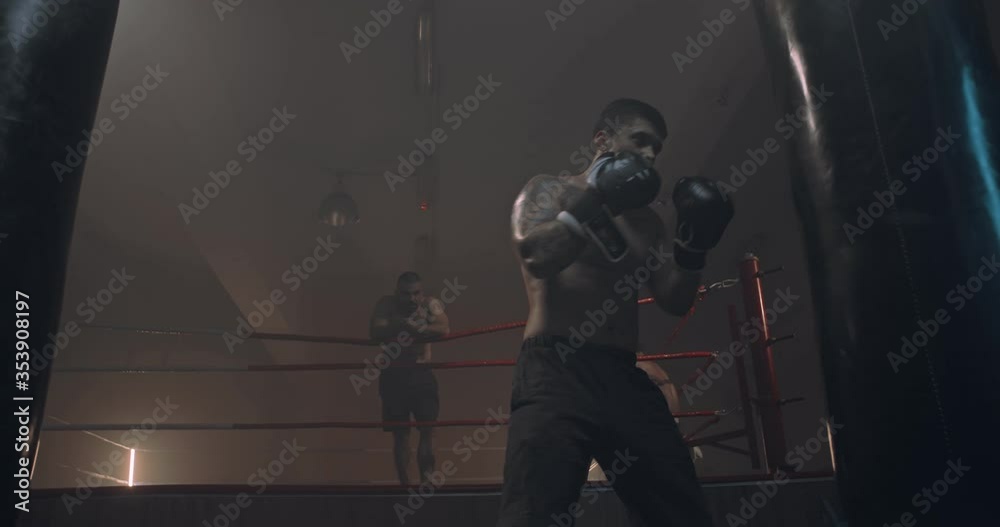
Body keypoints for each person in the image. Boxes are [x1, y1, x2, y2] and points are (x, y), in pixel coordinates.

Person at [497, 98, 733, 526]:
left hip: (622, 374)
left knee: (679, 507)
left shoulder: (647, 224)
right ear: (602, 139)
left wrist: (694, 247)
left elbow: (674, 299)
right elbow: (536, 256)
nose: (649, 154)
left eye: (656, 148)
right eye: (640, 140)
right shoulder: (550, 190)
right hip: (555, 370)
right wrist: (595, 201)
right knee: (535, 512)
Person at [369, 272, 450, 486]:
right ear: (397, 293)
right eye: (406, 294)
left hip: (421, 373)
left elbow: (444, 328)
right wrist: (405, 326)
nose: (413, 299)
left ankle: (427, 484)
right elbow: (376, 331)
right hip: (393, 376)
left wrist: (412, 328)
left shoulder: (431, 304)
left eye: (417, 293)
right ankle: (404, 486)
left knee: (428, 430)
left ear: (422, 292)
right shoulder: (386, 303)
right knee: (401, 434)